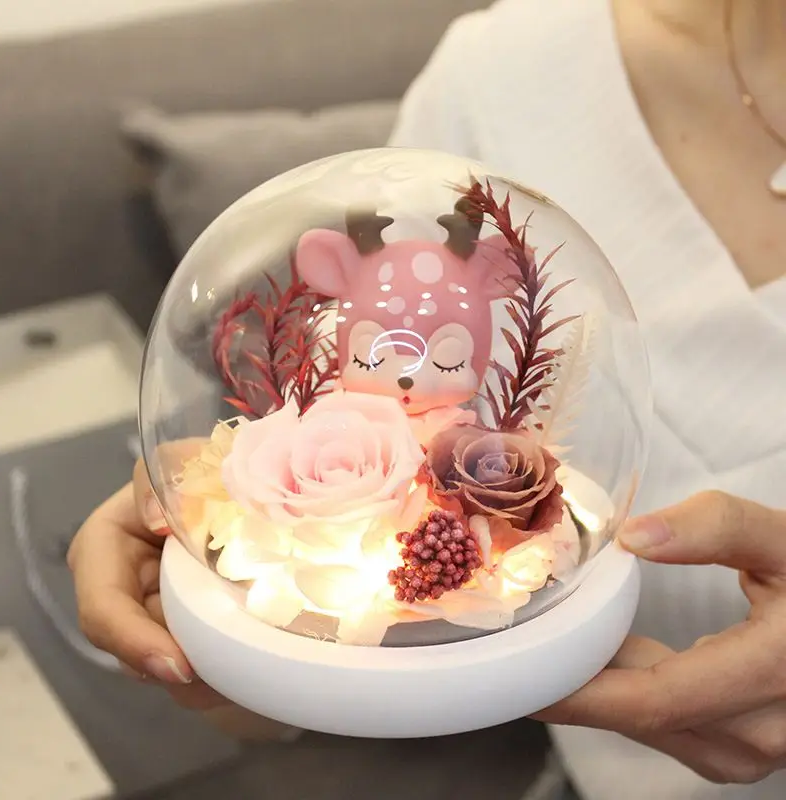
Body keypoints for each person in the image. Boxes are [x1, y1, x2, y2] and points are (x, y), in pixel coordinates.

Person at [67, 0, 786, 797]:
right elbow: (321, 661)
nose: (409, 378)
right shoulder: (503, 70)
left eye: (444, 357)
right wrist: (231, 550)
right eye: (387, 355)